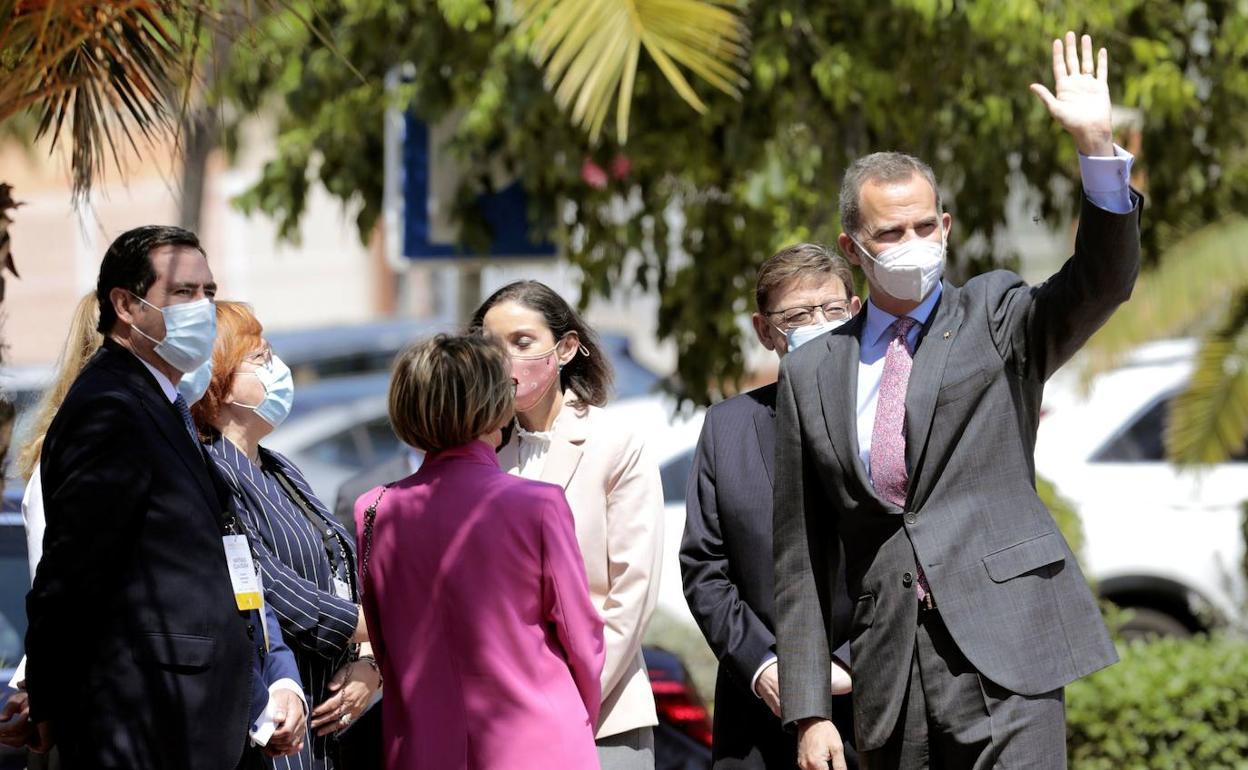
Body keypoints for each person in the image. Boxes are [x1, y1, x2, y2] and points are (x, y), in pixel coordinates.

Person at [772, 33, 1140, 770]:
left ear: (945, 226)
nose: (912, 243)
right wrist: (810, 710)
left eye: (924, 226)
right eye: (890, 232)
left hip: (1009, 658)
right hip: (891, 670)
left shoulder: (996, 316)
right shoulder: (813, 372)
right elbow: (800, 558)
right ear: (854, 247)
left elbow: (1101, 280)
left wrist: (1096, 146)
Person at [23, 225, 307, 769]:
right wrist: (49, 702)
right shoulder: (110, 409)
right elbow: (71, 576)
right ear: (126, 306)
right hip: (148, 725)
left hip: (202, 720)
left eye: (208, 292)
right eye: (182, 293)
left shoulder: (161, 404)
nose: (201, 307)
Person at [355, 333, 604, 769]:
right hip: (541, 741)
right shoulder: (537, 505)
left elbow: (385, 640)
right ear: (494, 404)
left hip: (421, 745)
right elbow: (581, 639)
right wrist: (582, 718)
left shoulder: (374, 509)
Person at [681, 244, 861, 770]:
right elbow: (704, 570)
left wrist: (848, 666)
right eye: (798, 316)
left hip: (875, 701)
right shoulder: (727, 427)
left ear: (856, 312)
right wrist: (765, 668)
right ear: (765, 331)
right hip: (759, 714)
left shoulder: (893, 417)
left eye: (831, 310)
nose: (818, 324)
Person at [472, 280, 664, 770]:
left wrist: (576, 692)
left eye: (522, 342)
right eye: (493, 347)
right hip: (500, 716)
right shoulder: (480, 452)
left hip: (601, 709)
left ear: (566, 347)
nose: (507, 360)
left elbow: (632, 588)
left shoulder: (614, 442)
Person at [190, 301, 381, 770]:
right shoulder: (210, 471)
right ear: (219, 380)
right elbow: (271, 592)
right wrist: (395, 626)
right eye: (260, 358)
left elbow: (341, 566)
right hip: (276, 728)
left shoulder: (277, 466)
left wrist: (371, 665)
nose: (278, 369)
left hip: (328, 724)